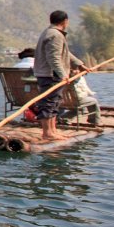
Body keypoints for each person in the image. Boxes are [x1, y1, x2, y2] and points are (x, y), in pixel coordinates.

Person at [32, 10, 92, 140]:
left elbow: (65, 53)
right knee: (49, 103)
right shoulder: (55, 35)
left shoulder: (50, 33)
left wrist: (79, 64)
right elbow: (53, 58)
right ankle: (47, 133)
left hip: (50, 74)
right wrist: (62, 74)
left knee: (54, 103)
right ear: (65, 21)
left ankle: (52, 131)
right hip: (50, 75)